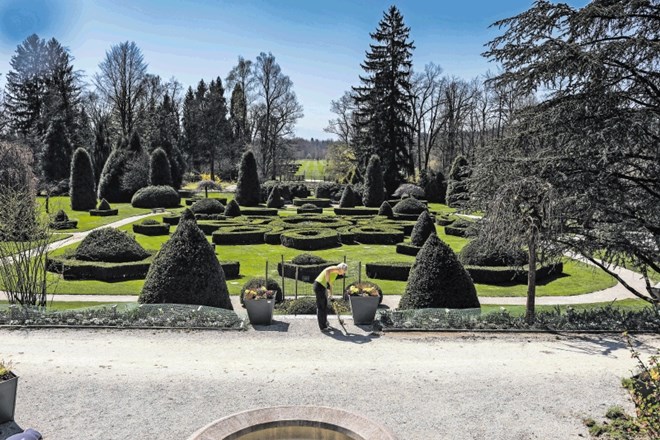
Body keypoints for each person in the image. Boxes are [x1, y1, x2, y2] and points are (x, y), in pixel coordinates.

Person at [313, 263, 348, 331]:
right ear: (340, 269)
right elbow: (327, 271)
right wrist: (327, 283)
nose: (343, 274)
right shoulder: (336, 268)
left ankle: (325, 323)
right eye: (343, 272)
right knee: (321, 307)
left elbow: (330, 284)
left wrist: (331, 295)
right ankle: (323, 327)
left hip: (322, 287)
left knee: (324, 306)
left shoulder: (335, 273)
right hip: (319, 286)